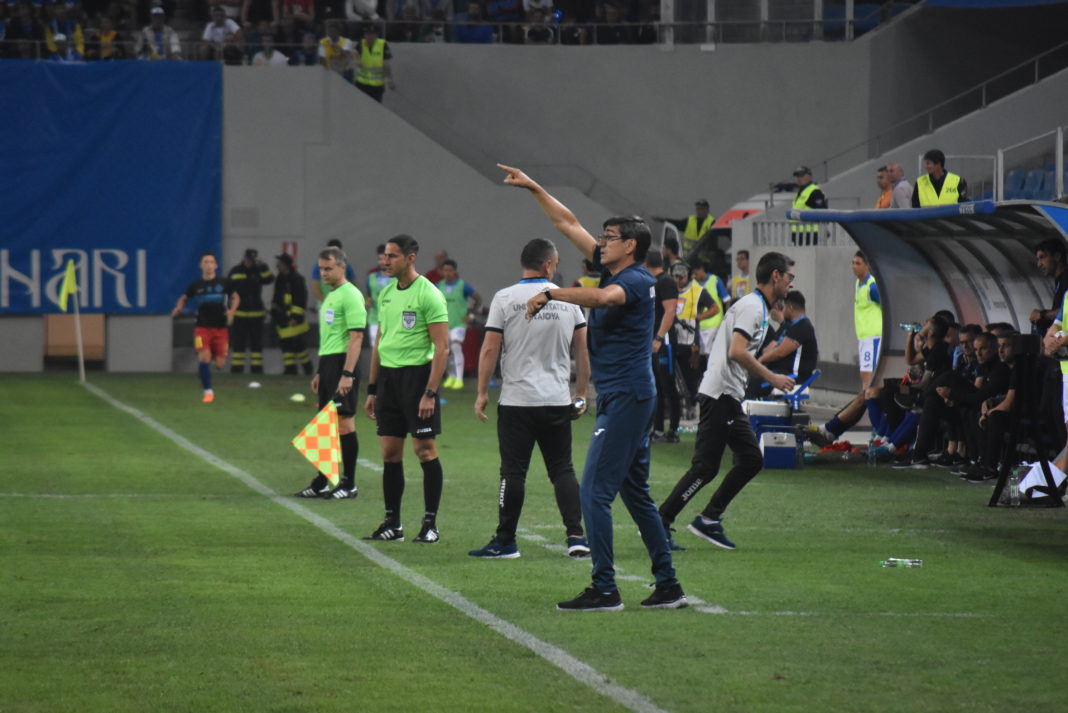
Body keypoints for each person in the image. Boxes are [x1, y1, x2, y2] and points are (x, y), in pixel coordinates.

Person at [499, 163, 686, 612]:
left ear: (632, 246)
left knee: (593, 494)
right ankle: (668, 585)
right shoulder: (615, 270)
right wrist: (535, 188)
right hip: (628, 397)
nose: (600, 242)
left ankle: (605, 588)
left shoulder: (637, 280)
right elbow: (567, 223)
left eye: (609, 238)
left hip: (628, 398)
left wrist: (551, 293)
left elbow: (603, 300)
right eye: (601, 236)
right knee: (635, 493)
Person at [657, 252, 796, 551]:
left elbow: (748, 348)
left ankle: (705, 519)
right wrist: (772, 378)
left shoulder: (756, 306)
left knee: (744, 460)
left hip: (726, 394)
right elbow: (737, 350)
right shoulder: (751, 307)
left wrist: (777, 323)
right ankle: (669, 521)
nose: (790, 283)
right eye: (789, 277)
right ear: (775, 276)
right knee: (710, 467)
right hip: (721, 394)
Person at [469, 238, 591, 559]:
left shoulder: (505, 298)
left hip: (517, 402)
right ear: (548, 264)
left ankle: (506, 541)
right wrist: (580, 394)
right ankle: (577, 536)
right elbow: (582, 350)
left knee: (513, 472)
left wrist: (481, 392)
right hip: (556, 400)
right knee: (563, 469)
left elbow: (490, 348)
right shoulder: (569, 301)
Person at [363, 235, 450, 544]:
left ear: (410, 258)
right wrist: (372, 388)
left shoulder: (429, 294)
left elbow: (442, 348)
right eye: (384, 255)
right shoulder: (386, 294)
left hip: (417, 380)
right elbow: (378, 344)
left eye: (392, 256)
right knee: (389, 452)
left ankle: (430, 524)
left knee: (424, 451)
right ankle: (392, 523)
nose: (385, 261)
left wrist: (430, 392)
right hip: (388, 380)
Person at [294, 247, 366, 499]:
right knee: (325, 425)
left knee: (345, 421)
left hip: (343, 364)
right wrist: (319, 372)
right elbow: (329, 339)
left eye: (328, 268)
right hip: (328, 365)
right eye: (321, 269)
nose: (323, 273)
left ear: (341, 268)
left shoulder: (351, 295)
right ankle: (323, 480)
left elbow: (356, 336)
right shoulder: (331, 296)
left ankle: (349, 483)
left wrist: (347, 373)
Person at [170, 251, 240, 404]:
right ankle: (208, 391)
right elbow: (184, 297)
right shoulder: (196, 285)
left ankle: (214, 353)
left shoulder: (224, 283)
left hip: (221, 329)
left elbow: (236, 297)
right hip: (202, 328)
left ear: (216, 265)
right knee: (204, 358)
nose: (209, 265)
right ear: (201, 265)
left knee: (220, 364)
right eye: (206, 262)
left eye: (211, 262)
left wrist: (232, 311)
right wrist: (178, 307)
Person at [748, 290, 817, 397]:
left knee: (753, 384)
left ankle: (742, 412)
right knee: (750, 378)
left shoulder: (803, 326)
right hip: (782, 373)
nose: (782, 310)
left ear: (790, 308)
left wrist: (760, 361)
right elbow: (773, 348)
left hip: (793, 377)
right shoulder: (792, 326)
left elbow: (780, 352)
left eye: (784, 307)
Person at [647, 251, 679, 444]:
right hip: (654, 340)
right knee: (657, 386)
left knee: (668, 385)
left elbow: (670, 310)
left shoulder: (666, 282)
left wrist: (659, 337)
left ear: (646, 263)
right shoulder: (653, 283)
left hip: (664, 341)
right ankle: (658, 429)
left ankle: (673, 430)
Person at [227, 249, 274, 374]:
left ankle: (257, 370)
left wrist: (263, 266)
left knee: (256, 345)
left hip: (256, 315)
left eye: (252, 260)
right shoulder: (235, 271)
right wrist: (229, 311)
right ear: (244, 258)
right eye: (248, 259)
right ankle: (237, 370)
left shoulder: (259, 271)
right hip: (239, 315)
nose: (249, 262)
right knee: (238, 344)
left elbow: (270, 279)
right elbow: (228, 291)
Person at [436, 259, 481, 390]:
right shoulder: (438, 286)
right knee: (446, 351)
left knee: (456, 346)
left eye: (450, 270)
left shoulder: (463, 286)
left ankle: (460, 379)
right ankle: (452, 376)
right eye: (445, 270)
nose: (447, 273)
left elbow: (478, 299)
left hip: (459, 323)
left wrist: (471, 315)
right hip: (444, 324)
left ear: (455, 271)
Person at [271, 253, 314, 375]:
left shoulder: (296, 279)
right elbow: (276, 298)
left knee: (298, 345)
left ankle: (307, 368)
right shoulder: (280, 279)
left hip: (293, 319)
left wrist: (295, 316)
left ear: (286, 265)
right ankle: (290, 369)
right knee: (285, 346)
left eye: (280, 263)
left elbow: (300, 299)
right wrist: (274, 312)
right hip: (282, 318)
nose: (277, 265)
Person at [853, 250, 882, 389]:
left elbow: (888, 306)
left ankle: (870, 408)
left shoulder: (872, 287)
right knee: (864, 377)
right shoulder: (858, 284)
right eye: (853, 263)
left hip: (873, 337)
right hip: (864, 337)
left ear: (867, 265)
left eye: (858, 263)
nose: (854, 266)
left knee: (869, 378)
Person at [352, 23, 395, 103]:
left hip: (376, 85)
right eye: (367, 34)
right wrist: (357, 60)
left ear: (376, 35)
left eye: (371, 34)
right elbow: (354, 51)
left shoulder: (382, 44)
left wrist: (389, 79)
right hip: (361, 83)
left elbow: (386, 64)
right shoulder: (361, 43)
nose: (369, 37)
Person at [789, 166, 827, 245]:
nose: (799, 178)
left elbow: (821, 211)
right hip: (798, 232)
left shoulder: (814, 191)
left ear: (809, 176)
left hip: (810, 233)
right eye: (797, 176)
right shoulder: (801, 191)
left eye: (801, 176)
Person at [311, 238, 357, 304]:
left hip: (342, 304)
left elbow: (354, 284)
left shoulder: (346, 266)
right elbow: (315, 287)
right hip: (325, 305)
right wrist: (325, 302)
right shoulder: (318, 266)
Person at [365, 243, 392, 348]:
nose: (382, 262)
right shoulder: (371, 278)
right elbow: (368, 295)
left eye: (384, 259)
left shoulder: (396, 278)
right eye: (379, 259)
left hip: (392, 320)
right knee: (375, 349)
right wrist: (368, 301)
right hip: (375, 319)